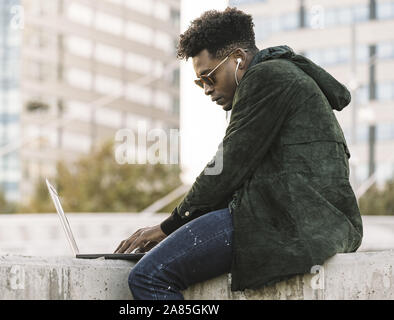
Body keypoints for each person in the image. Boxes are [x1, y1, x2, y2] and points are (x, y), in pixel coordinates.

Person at [114, 7, 363, 300]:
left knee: (149, 276)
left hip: (285, 220)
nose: (206, 89)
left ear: (238, 59)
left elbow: (225, 166)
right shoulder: (279, 76)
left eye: (209, 77)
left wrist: (170, 226)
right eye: (200, 82)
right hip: (298, 216)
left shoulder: (267, 78)